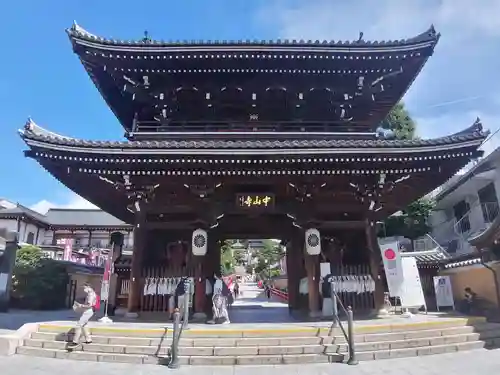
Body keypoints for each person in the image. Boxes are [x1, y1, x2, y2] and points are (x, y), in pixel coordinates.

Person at [68, 283, 97, 348]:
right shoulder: (91, 294)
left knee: (79, 325)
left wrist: (80, 305)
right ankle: (88, 339)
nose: (84, 289)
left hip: (88, 311)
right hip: (88, 311)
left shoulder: (91, 295)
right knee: (84, 325)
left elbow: (89, 305)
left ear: (88, 287)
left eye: (85, 288)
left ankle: (75, 342)